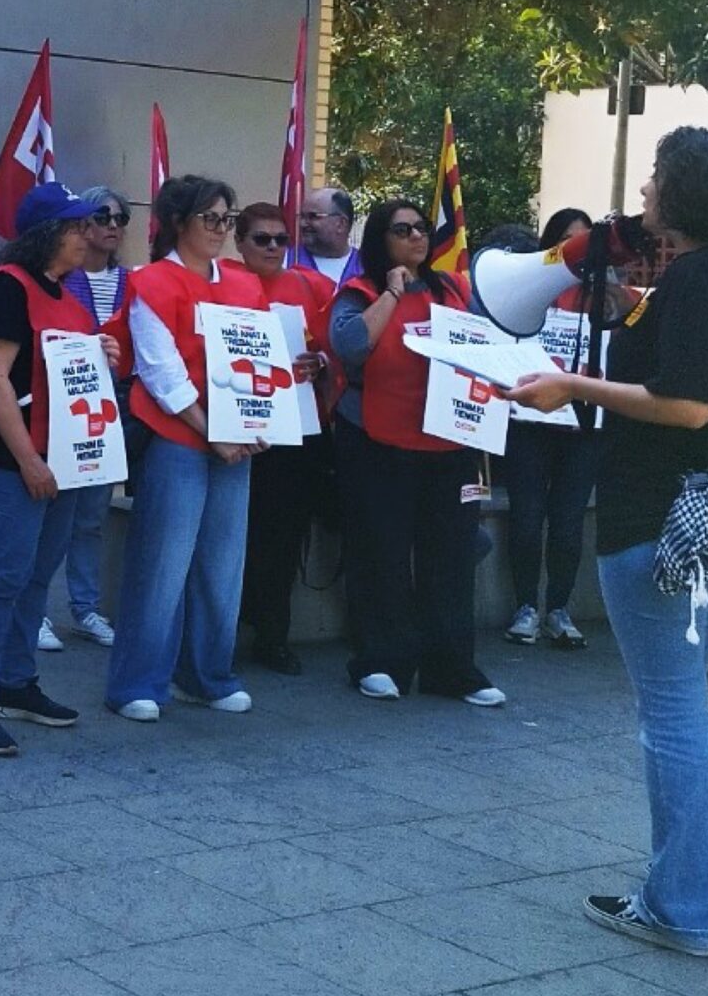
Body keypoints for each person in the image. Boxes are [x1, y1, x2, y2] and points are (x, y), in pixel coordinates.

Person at [505, 127, 708, 957]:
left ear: (691, 189)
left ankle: (683, 907)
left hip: (662, 516)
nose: (645, 192)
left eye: (658, 177)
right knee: (688, 708)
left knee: (669, 715)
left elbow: (690, 404)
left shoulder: (699, 277)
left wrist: (573, 385)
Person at [0, 183, 110, 756]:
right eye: (76, 226)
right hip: (14, 458)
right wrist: (29, 461)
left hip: (59, 458)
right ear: (48, 234)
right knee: (1, 577)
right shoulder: (7, 289)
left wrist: (103, 356)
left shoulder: (69, 297)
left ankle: (15, 684)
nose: (88, 235)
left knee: (37, 574)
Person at [330, 199, 506, 707]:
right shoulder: (358, 292)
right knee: (381, 553)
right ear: (379, 240)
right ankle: (379, 661)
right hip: (378, 440)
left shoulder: (452, 290)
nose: (416, 237)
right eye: (402, 230)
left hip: (448, 442)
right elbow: (350, 346)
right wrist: (391, 292)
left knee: (451, 555)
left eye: (422, 228)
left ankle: (451, 668)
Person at [104, 176, 267, 720]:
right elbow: (160, 373)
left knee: (223, 565)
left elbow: (260, 360)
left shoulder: (244, 284)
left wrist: (266, 412)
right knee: (162, 565)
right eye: (210, 218)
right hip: (179, 437)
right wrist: (211, 430)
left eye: (227, 219)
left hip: (235, 439)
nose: (221, 229)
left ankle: (206, 676)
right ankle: (136, 683)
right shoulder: (151, 282)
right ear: (178, 223)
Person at [228, 201, 334, 675]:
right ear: (240, 242)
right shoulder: (221, 282)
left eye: (280, 239)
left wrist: (320, 362)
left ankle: (273, 636)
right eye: (261, 239)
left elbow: (331, 346)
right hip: (236, 428)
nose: (273, 247)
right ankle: (222, 633)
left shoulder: (308, 285)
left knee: (285, 539)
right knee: (233, 537)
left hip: (296, 431)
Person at [499, 207, 611, 650]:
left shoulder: (608, 295)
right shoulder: (532, 290)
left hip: (584, 427)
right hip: (531, 423)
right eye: (568, 239)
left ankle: (559, 609)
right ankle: (525, 607)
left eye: (587, 241)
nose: (578, 249)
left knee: (567, 522)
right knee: (526, 519)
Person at [43, 185, 132, 651]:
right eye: (103, 217)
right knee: (54, 515)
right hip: (67, 409)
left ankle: (85, 608)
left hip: (112, 412)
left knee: (93, 517)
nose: (113, 226)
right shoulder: (62, 278)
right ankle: (34, 610)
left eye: (121, 218)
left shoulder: (133, 282)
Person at [292, 186, 364, 286]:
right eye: (302, 217)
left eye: (313, 216)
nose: (302, 224)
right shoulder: (287, 260)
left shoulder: (366, 267)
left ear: (340, 224)